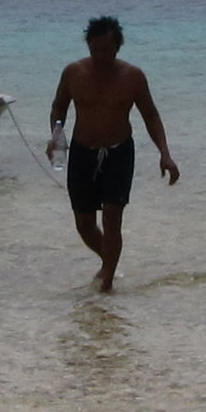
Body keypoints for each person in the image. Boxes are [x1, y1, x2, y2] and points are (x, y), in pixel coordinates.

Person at [47, 15, 181, 292]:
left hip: (119, 152)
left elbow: (151, 116)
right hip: (83, 151)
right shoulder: (74, 73)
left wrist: (165, 154)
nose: (100, 56)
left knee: (112, 216)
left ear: (118, 47)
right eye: (94, 50)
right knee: (84, 225)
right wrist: (57, 135)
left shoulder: (132, 77)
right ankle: (109, 262)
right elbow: (59, 107)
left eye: (106, 50)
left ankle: (106, 284)